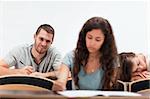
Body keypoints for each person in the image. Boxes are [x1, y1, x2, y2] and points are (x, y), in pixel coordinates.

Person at [53, 17, 120, 91]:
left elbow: (110, 88)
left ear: (105, 41)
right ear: (84, 36)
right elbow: (61, 81)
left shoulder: (112, 59)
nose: (92, 43)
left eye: (98, 40)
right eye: (89, 37)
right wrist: (59, 85)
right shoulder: (71, 56)